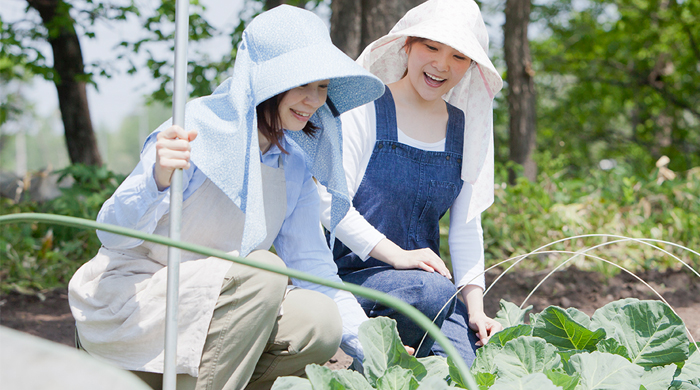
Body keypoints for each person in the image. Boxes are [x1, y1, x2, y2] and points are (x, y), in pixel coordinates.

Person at [68, 5, 384, 390]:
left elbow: (314, 269)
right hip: (137, 306)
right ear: (268, 81)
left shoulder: (295, 164)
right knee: (264, 271)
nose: (315, 100)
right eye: (304, 83)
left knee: (318, 321)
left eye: (322, 87)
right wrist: (158, 178)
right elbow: (112, 234)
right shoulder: (192, 132)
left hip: (216, 317)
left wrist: (379, 351)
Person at [318, 0, 504, 366]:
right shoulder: (366, 107)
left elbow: (466, 226)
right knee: (430, 290)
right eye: (431, 48)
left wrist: (476, 309)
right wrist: (397, 256)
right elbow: (329, 202)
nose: (442, 65)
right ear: (407, 46)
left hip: (430, 289)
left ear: (470, 67)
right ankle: (364, 345)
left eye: (459, 57)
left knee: (466, 366)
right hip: (354, 276)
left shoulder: (465, 128)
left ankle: (400, 350)